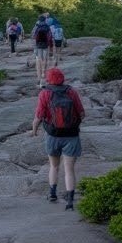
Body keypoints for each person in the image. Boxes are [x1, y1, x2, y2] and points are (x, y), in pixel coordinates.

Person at [31, 67, 84, 209]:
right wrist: (74, 125)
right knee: (69, 170)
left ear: (49, 79)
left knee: (54, 166)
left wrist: (34, 131)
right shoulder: (71, 92)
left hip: (53, 136)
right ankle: (70, 202)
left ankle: (53, 194)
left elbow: (38, 117)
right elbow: (82, 113)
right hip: (71, 135)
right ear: (62, 78)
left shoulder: (45, 93)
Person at [31, 14, 53, 84]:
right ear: (45, 19)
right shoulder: (47, 26)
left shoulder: (36, 26)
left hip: (38, 45)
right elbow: (50, 36)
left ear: (39, 19)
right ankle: (44, 73)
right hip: (45, 45)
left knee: (38, 60)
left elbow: (33, 36)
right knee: (45, 59)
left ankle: (39, 77)